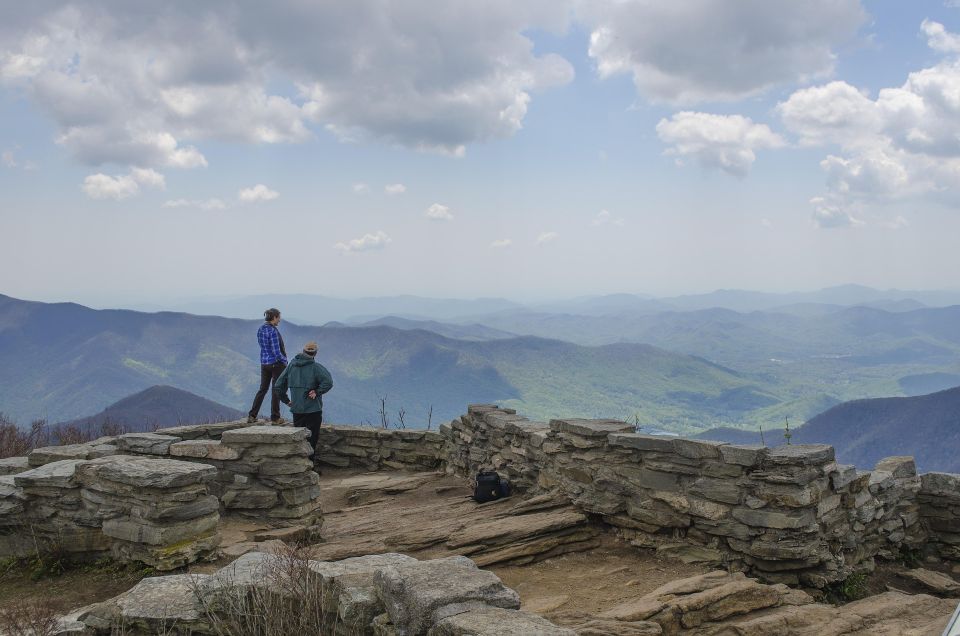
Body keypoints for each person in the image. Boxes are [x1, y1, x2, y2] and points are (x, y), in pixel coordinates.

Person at [274, 341, 333, 458]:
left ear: (303, 351)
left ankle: (300, 466)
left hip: (297, 410)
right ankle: (310, 466)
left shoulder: (291, 366)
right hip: (313, 410)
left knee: (299, 439)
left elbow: (278, 386)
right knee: (312, 439)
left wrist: (286, 400)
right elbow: (328, 382)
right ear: (315, 353)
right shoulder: (316, 368)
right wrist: (317, 391)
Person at [247, 308, 288, 423]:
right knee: (276, 390)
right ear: (274, 317)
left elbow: (263, 346)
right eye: (278, 317)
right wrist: (284, 360)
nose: (279, 320)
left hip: (264, 363)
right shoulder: (273, 331)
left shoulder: (260, 329)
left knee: (262, 389)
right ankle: (275, 418)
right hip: (276, 364)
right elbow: (276, 351)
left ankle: (252, 415)